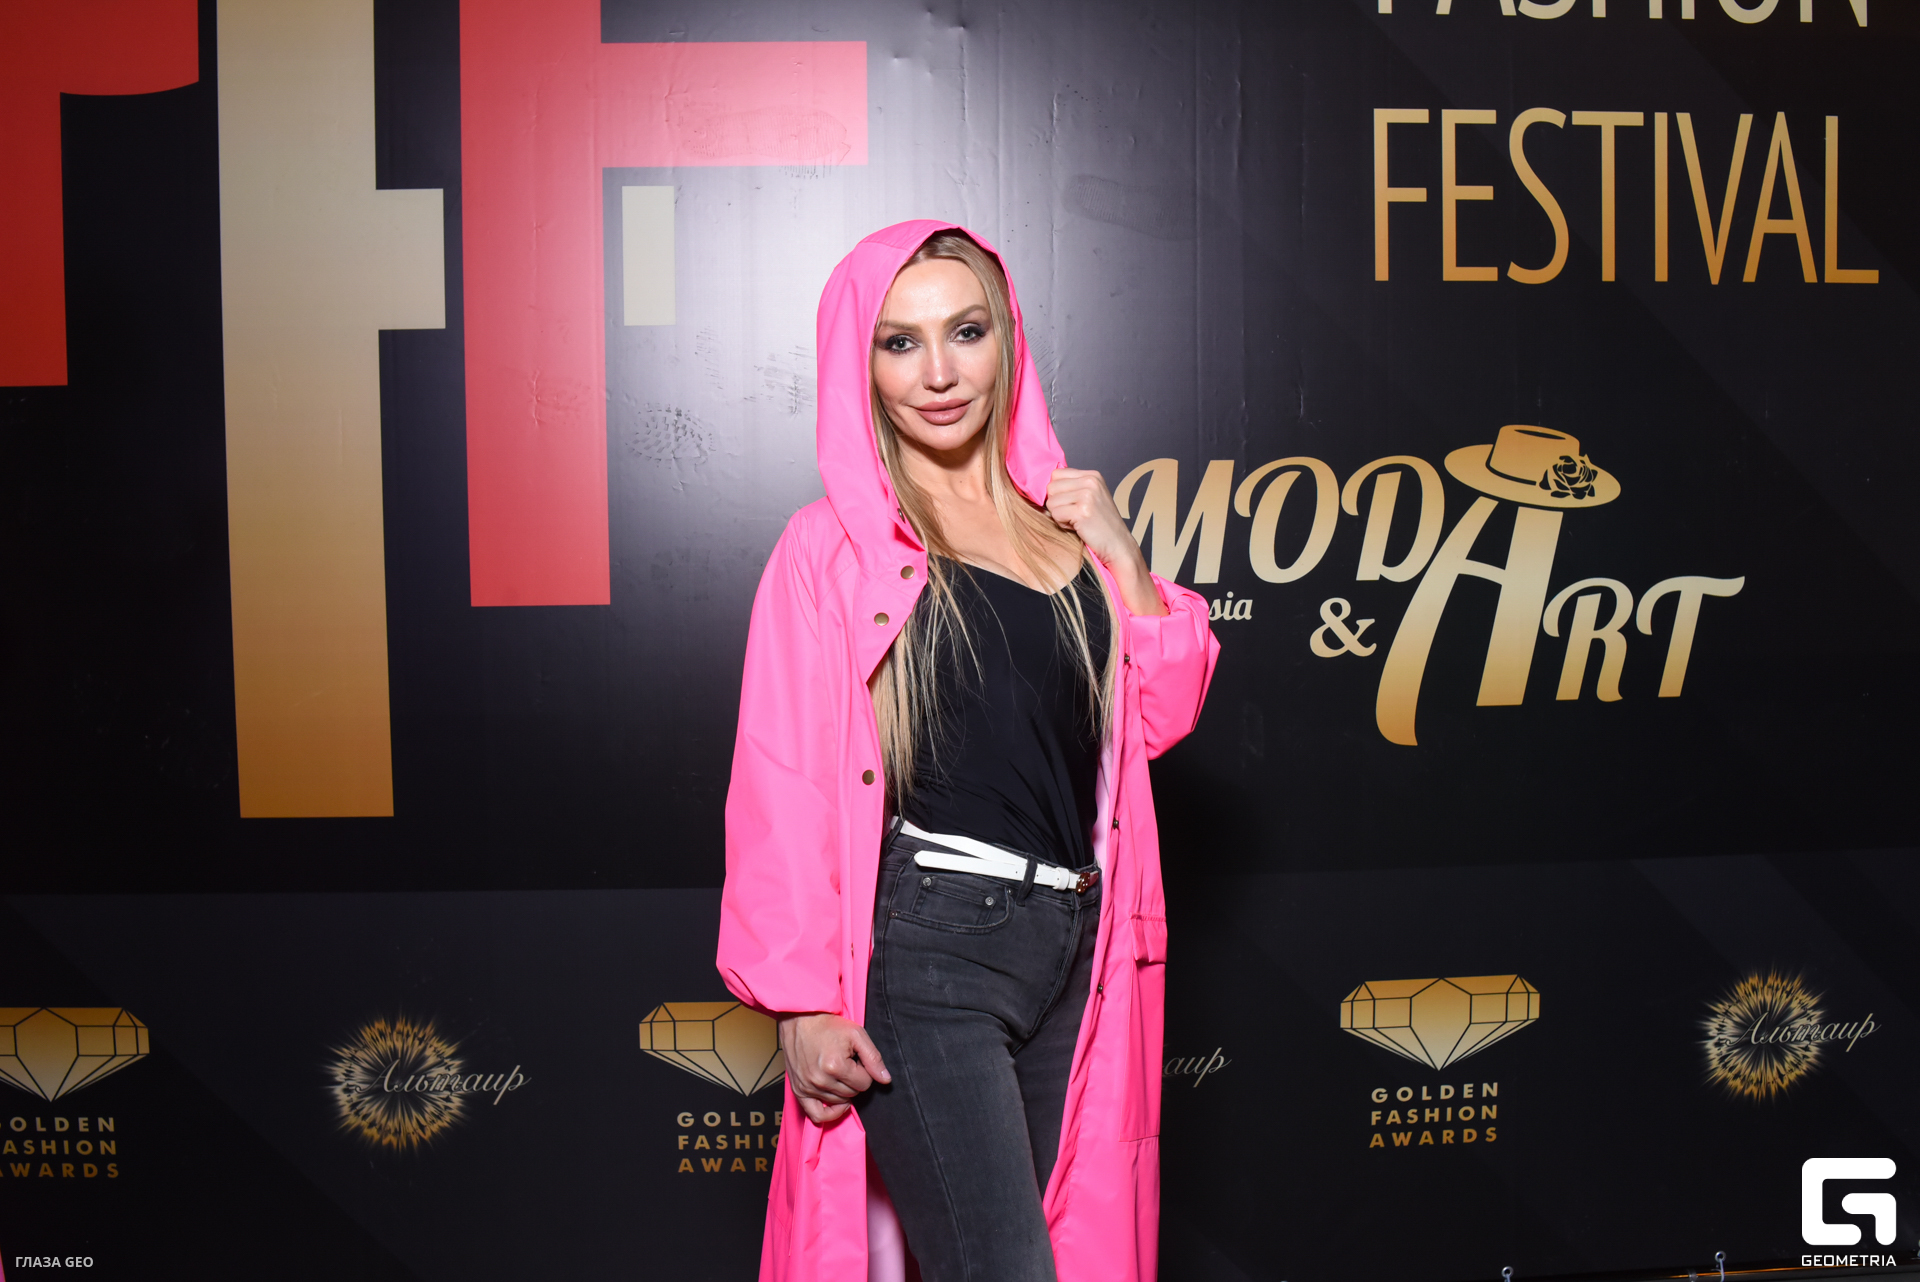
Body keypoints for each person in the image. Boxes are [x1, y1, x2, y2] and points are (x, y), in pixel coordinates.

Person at [717, 220, 1218, 1282]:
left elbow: (1158, 721)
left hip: (1078, 948)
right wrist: (802, 1004)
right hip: (932, 950)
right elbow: (781, 780)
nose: (939, 374)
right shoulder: (832, 549)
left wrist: (1126, 562)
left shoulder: (1066, 532)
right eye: (900, 343)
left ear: (1008, 341)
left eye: (966, 331)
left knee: (1067, 1253)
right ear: (861, 367)